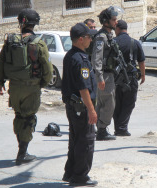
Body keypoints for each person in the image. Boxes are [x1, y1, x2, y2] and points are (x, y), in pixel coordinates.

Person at [0, 8, 53, 165]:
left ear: (21, 23)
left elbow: (0, 64)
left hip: (14, 87)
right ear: (35, 24)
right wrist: (43, 83)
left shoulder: (10, 42)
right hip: (31, 87)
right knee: (28, 118)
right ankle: (22, 153)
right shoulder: (39, 44)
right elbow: (47, 69)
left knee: (19, 116)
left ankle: (21, 148)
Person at [61, 22, 98, 186]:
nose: (90, 40)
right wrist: (91, 110)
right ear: (81, 39)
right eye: (89, 37)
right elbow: (84, 89)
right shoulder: (81, 59)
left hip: (72, 107)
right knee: (86, 141)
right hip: (81, 108)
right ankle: (80, 176)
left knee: (75, 140)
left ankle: (70, 172)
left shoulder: (70, 55)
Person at [91, 6, 122, 141]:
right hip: (104, 75)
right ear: (106, 21)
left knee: (104, 102)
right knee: (108, 103)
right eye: (114, 20)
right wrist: (100, 77)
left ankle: (100, 128)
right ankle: (102, 130)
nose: (116, 22)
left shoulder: (108, 36)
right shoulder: (101, 37)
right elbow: (96, 59)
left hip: (109, 75)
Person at [113, 20, 145, 136]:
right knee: (129, 103)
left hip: (115, 79)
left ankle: (119, 127)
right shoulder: (135, 42)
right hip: (131, 78)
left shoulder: (113, 42)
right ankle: (121, 128)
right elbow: (141, 61)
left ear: (117, 29)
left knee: (117, 103)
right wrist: (143, 75)